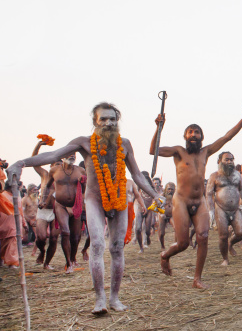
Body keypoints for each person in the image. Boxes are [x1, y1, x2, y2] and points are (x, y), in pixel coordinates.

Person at [7, 102, 163, 314]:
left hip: (118, 200)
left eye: (112, 119)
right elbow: (53, 155)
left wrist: (154, 194)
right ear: (95, 122)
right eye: (103, 119)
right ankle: (100, 300)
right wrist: (22, 162)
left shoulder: (124, 144)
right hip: (95, 200)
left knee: (117, 247)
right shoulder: (84, 143)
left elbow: (135, 175)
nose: (108, 123)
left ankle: (115, 299)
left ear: (118, 122)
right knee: (98, 244)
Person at [150, 102, 242, 289]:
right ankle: (165, 256)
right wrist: (159, 127)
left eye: (197, 133)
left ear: (202, 137)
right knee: (182, 243)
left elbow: (227, 137)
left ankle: (197, 279)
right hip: (180, 201)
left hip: (200, 201)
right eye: (190, 132)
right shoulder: (178, 152)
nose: (193, 135)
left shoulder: (206, 152)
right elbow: (153, 150)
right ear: (185, 137)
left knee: (203, 236)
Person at [42, 153, 86, 272]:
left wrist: (82, 203)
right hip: (61, 205)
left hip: (76, 206)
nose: (72, 156)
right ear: (63, 157)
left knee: (76, 237)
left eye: (74, 154)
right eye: (69, 154)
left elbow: (85, 189)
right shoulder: (54, 170)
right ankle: (68, 263)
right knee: (65, 232)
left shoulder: (80, 171)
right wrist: (42, 199)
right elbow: (47, 186)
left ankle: (72, 259)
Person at [207, 152, 242, 265]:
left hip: (235, 209)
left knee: (241, 233)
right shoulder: (214, 176)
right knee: (223, 235)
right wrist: (210, 211)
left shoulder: (237, 175)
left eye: (231, 159)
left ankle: (230, 244)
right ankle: (225, 258)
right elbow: (209, 194)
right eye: (227, 160)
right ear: (219, 161)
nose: (230, 162)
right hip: (221, 208)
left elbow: (241, 190)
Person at [31, 139, 61, 269]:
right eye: (56, 164)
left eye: (60, 165)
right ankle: (42, 252)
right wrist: (38, 146)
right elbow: (34, 161)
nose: (58, 167)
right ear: (51, 166)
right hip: (43, 211)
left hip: (57, 211)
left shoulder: (64, 179)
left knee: (54, 238)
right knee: (41, 238)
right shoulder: (44, 175)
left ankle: (47, 263)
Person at [0, 180, 27, 268]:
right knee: (3, 244)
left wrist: (24, 223)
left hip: (15, 224)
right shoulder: (2, 195)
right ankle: (2, 260)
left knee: (13, 241)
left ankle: (12, 263)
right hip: (4, 222)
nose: (19, 188)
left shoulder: (17, 196)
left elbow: (21, 211)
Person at [133, 172, 155, 253]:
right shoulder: (138, 188)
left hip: (149, 211)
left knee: (147, 230)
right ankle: (141, 247)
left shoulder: (151, 189)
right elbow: (133, 197)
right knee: (138, 228)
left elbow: (156, 197)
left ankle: (148, 237)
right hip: (140, 210)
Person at [124, 179, 146, 246]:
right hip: (117, 209)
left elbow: (137, 195)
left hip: (129, 209)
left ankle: (120, 249)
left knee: (126, 231)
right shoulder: (111, 181)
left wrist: (143, 205)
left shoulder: (130, 182)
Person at [158, 182, 175, 249]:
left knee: (176, 228)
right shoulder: (162, 196)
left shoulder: (176, 196)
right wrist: (161, 214)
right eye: (169, 189)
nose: (170, 191)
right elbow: (157, 207)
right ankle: (162, 246)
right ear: (165, 189)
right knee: (162, 233)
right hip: (163, 215)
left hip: (172, 215)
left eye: (172, 189)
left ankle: (176, 244)